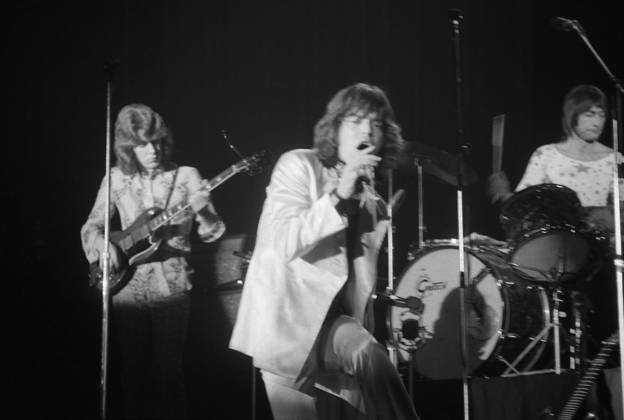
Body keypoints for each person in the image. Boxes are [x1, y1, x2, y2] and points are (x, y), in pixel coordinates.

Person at [229, 83, 420, 420]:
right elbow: (284, 242)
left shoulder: (372, 201)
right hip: (285, 325)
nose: (366, 130)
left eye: (375, 123)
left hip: (333, 327)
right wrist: (335, 197)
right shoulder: (297, 165)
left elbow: (359, 283)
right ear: (334, 129)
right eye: (355, 120)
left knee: (369, 354)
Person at [81, 103, 225, 418]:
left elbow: (214, 232)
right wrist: (103, 246)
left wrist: (204, 211)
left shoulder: (187, 176)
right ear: (128, 146)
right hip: (126, 290)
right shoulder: (115, 178)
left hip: (171, 288)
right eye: (143, 143)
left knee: (167, 373)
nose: (153, 149)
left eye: (158, 140)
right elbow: (91, 227)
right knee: (131, 374)